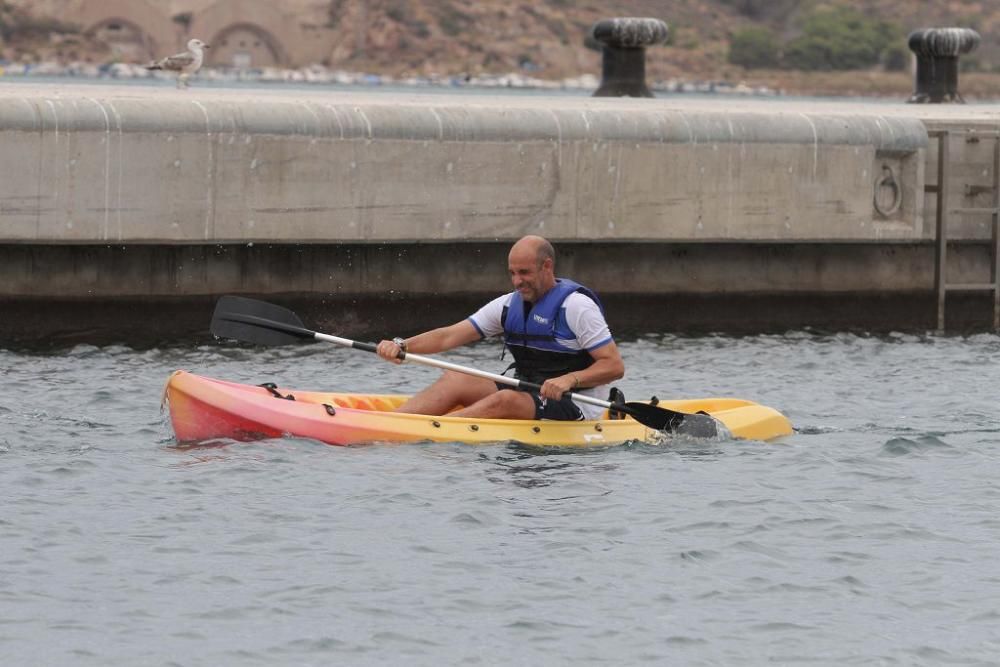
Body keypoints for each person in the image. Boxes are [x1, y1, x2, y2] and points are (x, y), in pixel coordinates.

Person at [375, 235, 625, 420]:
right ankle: (390, 424)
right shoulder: (507, 306)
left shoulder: (577, 308)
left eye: (524, 272)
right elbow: (448, 336)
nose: (517, 281)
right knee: (457, 379)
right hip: (527, 390)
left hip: (577, 404)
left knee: (505, 400)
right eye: (512, 273)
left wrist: (570, 379)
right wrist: (402, 345)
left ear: (547, 266)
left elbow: (614, 366)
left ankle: (426, 431)